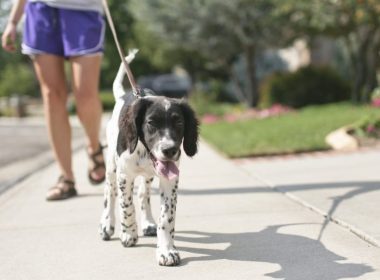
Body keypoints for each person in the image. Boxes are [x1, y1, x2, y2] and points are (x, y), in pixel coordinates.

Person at [2, 0, 106, 201]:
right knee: (51, 96)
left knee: (85, 95)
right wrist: (13, 21)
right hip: (40, 9)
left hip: (82, 9)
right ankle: (66, 177)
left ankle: (94, 147)